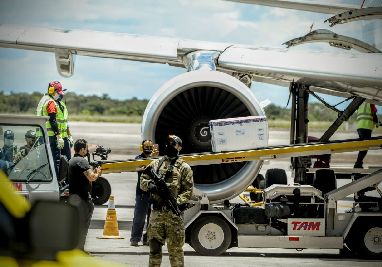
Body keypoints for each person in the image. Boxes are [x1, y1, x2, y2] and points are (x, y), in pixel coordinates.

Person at [140, 135, 193, 267]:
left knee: (175, 253)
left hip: (173, 216)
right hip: (157, 214)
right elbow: (143, 180)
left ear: (179, 147)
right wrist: (150, 185)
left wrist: (176, 202)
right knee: (154, 251)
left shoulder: (184, 168)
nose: (170, 146)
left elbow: (188, 191)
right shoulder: (156, 164)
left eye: (173, 144)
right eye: (168, 144)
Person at [68, 139, 102, 250]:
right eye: (86, 148)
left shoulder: (72, 160)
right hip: (83, 200)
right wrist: (98, 172)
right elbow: (91, 177)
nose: (87, 151)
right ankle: (80, 249)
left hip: (74, 198)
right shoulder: (82, 161)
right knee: (83, 226)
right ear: (82, 149)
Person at [37, 81, 73, 173]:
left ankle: (64, 182)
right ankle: (58, 184)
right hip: (52, 137)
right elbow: (52, 120)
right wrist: (58, 136)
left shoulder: (54, 102)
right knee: (55, 162)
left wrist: (69, 135)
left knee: (65, 161)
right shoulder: (50, 102)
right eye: (58, 93)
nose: (60, 95)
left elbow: (64, 121)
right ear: (52, 91)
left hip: (57, 136)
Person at [130, 139, 155, 246]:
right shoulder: (139, 159)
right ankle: (135, 238)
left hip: (153, 193)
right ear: (142, 148)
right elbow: (137, 167)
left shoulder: (155, 159)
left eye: (150, 147)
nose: (148, 149)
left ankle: (147, 238)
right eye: (146, 147)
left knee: (151, 218)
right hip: (142, 193)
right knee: (139, 217)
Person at [354, 102, 379, 168]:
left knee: (363, 146)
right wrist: (377, 122)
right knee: (365, 147)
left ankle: (358, 164)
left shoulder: (360, 103)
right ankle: (358, 164)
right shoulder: (371, 103)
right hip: (366, 127)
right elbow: (373, 114)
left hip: (360, 126)